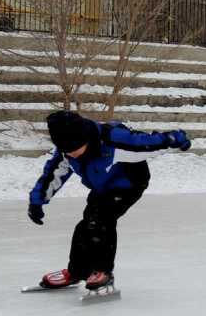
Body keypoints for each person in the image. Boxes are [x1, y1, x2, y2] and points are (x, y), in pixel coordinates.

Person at [28, 110, 191, 291]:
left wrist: (178, 138)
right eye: (67, 151)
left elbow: (147, 143)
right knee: (84, 225)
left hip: (129, 184)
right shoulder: (67, 151)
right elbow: (53, 174)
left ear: (85, 139)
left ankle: (103, 271)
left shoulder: (114, 139)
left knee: (100, 219)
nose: (72, 155)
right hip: (103, 186)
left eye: (75, 150)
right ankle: (76, 272)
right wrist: (37, 200)